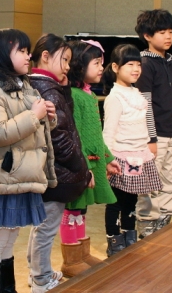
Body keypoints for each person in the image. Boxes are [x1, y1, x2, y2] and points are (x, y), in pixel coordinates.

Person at [0, 28, 57, 293]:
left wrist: (47, 117)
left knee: (9, 240)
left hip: (20, 177)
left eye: (27, 50)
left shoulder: (24, 85)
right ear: (1, 54)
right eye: (21, 51)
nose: (28, 56)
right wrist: (34, 116)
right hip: (5, 178)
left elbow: (32, 133)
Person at [27, 34, 93, 293]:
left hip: (53, 171)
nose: (67, 67)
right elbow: (60, 137)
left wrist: (64, 88)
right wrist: (80, 166)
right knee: (46, 229)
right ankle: (41, 278)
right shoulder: (46, 89)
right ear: (45, 56)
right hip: (57, 173)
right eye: (63, 60)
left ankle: (37, 272)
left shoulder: (48, 86)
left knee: (41, 227)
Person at [63, 40, 120, 277]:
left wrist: (108, 158)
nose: (101, 68)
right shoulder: (74, 96)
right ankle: (71, 260)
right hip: (80, 165)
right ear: (79, 65)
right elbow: (75, 135)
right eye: (96, 63)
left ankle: (83, 254)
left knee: (82, 209)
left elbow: (95, 133)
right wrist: (84, 168)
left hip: (92, 161)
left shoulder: (88, 94)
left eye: (101, 63)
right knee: (73, 209)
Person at [134, 9, 172, 239]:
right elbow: (145, 104)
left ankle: (164, 223)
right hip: (155, 138)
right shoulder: (144, 64)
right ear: (147, 35)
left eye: (171, 31)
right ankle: (147, 227)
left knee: (170, 183)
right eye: (162, 32)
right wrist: (151, 138)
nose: (168, 36)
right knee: (150, 185)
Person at [102, 44, 162, 256]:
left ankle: (129, 235)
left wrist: (147, 147)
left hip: (138, 156)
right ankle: (114, 241)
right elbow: (108, 132)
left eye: (138, 64)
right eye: (130, 64)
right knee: (116, 202)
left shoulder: (137, 93)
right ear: (115, 67)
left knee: (132, 200)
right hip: (120, 157)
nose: (136, 69)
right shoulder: (115, 97)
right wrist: (107, 159)